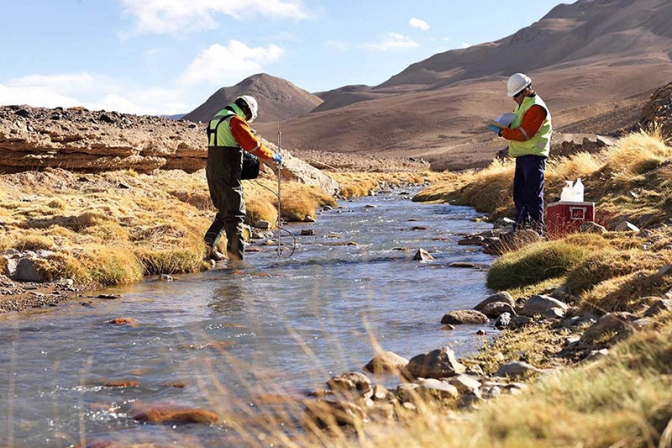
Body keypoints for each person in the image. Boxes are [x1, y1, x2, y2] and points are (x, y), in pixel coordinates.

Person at [204, 95, 283, 262]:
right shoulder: (234, 120)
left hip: (213, 171)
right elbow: (253, 145)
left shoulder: (217, 118)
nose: (247, 120)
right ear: (246, 109)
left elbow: (224, 143)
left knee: (225, 211)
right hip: (227, 173)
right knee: (235, 215)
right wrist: (272, 156)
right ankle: (236, 263)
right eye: (248, 117)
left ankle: (207, 246)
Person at [488, 73, 552, 235]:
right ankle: (521, 228)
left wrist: (504, 132)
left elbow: (525, 133)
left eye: (516, 95)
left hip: (534, 156)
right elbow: (518, 126)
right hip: (524, 156)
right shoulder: (522, 105)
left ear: (526, 91)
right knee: (520, 194)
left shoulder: (536, 107)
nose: (513, 98)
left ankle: (537, 229)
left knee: (532, 194)